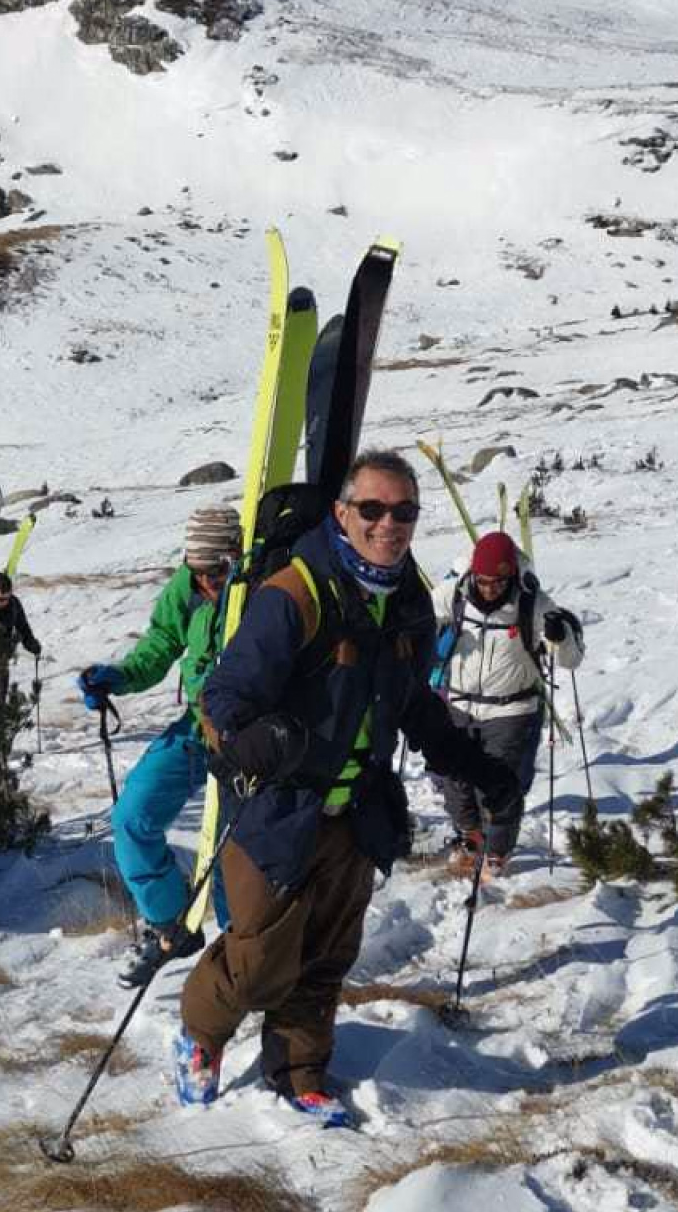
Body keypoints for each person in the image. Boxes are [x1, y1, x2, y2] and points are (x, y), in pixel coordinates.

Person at [177, 450, 523, 1122]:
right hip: (280, 808)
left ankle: (300, 1070)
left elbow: (414, 705)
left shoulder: (410, 601)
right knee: (256, 960)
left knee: (328, 954)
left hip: (356, 810)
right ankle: (199, 1037)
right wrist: (254, 745)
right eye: (372, 509)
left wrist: (479, 768)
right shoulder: (297, 592)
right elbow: (223, 700)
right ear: (342, 512)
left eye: (403, 511)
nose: (388, 523)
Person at [77, 506, 241, 988]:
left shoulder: (257, 592)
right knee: (132, 817)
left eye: (216, 572)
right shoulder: (185, 589)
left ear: (235, 557)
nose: (207, 583)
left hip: (249, 733)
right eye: (199, 572)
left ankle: (240, 952)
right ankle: (172, 926)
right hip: (197, 725)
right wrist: (120, 676)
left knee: (233, 847)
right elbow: (160, 645)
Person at [435, 529, 583, 879]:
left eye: (498, 583)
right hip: (459, 704)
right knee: (455, 783)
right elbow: (421, 614)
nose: (489, 589)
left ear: (512, 577)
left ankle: (497, 850)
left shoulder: (534, 603)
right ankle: (471, 836)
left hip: (512, 710)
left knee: (500, 787)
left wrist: (559, 638)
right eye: (483, 581)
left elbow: (570, 660)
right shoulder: (454, 593)